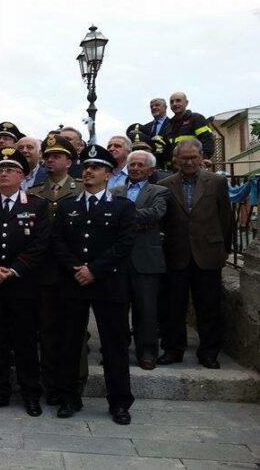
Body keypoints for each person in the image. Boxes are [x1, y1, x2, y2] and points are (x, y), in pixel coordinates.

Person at [52, 144, 136, 425]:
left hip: (108, 282)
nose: (88, 171)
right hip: (74, 282)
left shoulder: (123, 207)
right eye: (86, 167)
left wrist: (94, 270)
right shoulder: (68, 206)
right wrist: (76, 268)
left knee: (114, 345)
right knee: (70, 342)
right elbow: (58, 242)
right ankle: (68, 397)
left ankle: (120, 402)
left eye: (96, 167)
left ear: (108, 174)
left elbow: (124, 243)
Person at [0, 147, 50, 417]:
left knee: (25, 341)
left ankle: (30, 393)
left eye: (11, 170)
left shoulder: (37, 205)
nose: (4, 173)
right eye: (0, 169)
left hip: (22, 286)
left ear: (22, 176)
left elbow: (40, 245)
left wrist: (14, 270)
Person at [157, 138, 231, 369]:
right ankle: (173, 349)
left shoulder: (217, 182)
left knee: (209, 307)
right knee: (173, 307)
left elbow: (225, 217)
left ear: (201, 158)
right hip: (175, 254)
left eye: (193, 157)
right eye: (184, 158)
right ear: (176, 160)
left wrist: (223, 249)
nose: (189, 162)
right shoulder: (165, 184)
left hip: (208, 255)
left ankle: (209, 352)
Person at [27, 134, 85, 406]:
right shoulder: (35, 192)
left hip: (73, 271)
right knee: (48, 331)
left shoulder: (80, 188)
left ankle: (74, 386)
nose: (50, 160)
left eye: (57, 156)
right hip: (44, 271)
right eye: (48, 156)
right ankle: (51, 386)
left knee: (75, 332)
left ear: (69, 161)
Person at [112, 150, 169, 370]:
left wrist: (124, 216)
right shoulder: (115, 191)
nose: (135, 168)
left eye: (140, 165)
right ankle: (117, 350)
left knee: (146, 310)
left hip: (146, 258)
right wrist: (134, 217)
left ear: (151, 170)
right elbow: (107, 216)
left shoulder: (160, 191)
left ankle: (147, 352)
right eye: (132, 165)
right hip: (118, 259)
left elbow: (156, 213)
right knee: (117, 309)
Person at [163, 92, 215, 159]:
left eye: (178, 101)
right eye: (172, 102)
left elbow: (207, 141)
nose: (174, 104)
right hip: (177, 163)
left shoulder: (196, 119)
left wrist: (203, 159)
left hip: (194, 163)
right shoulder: (169, 125)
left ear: (186, 103)